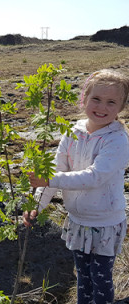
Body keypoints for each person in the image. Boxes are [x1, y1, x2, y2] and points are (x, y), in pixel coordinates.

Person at [23, 69, 129, 304]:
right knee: (83, 277)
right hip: (78, 221)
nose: (102, 107)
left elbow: (94, 177)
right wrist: (36, 207)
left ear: (121, 107)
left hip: (104, 224)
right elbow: (55, 170)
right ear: (85, 99)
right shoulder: (72, 132)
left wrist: (49, 180)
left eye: (111, 102)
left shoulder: (117, 140)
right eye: (96, 99)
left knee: (100, 280)